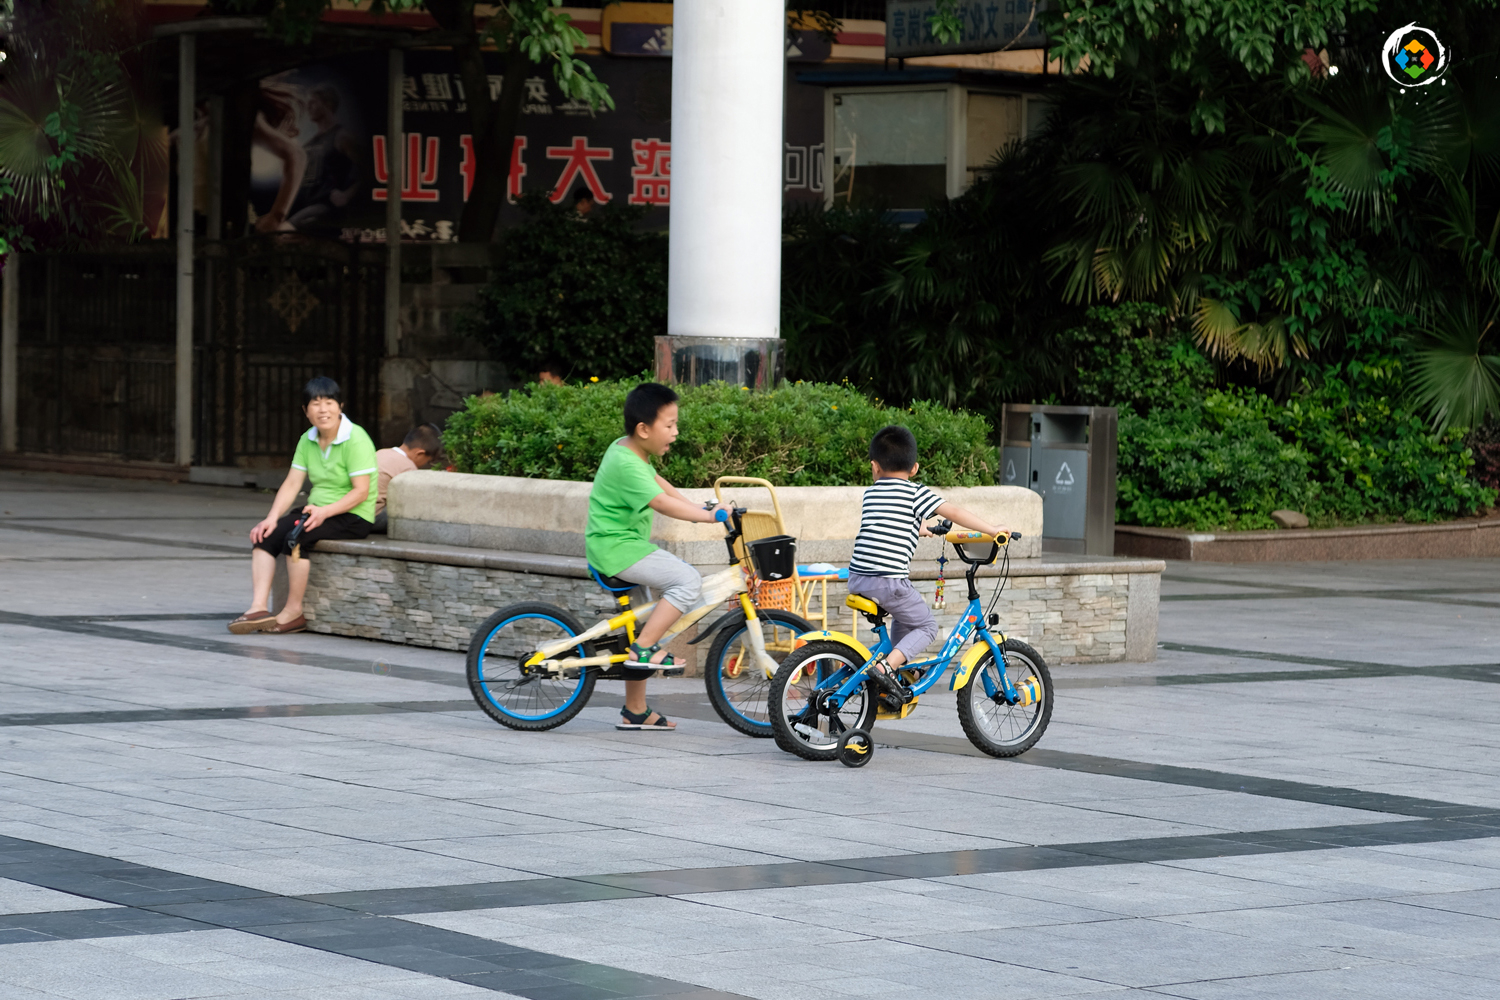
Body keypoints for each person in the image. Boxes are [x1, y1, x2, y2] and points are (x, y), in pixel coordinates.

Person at [585, 383, 728, 731]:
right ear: (643, 429)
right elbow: (660, 502)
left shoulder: (628, 452)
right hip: (618, 550)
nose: (676, 433)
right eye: (670, 425)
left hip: (619, 547)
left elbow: (660, 484)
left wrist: (700, 507)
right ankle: (646, 649)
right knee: (687, 580)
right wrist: (709, 517)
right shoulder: (627, 464)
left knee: (638, 629)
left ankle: (635, 710)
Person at [847, 425, 1009, 705]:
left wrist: (923, 528)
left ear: (874, 466)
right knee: (926, 627)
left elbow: (890, 522)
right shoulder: (915, 493)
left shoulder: (871, 493)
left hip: (859, 577)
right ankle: (886, 669)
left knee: (904, 617)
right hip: (888, 581)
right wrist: (993, 529)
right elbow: (955, 512)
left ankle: (894, 672)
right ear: (914, 468)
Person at [228, 377, 379, 635]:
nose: (323, 410)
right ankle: (258, 608)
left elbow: (361, 492)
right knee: (265, 537)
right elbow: (291, 483)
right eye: (315, 404)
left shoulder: (356, 438)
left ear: (340, 406)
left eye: (329, 402)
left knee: (295, 539)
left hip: (352, 515)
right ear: (305, 411)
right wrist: (271, 517)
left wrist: (326, 511)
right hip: (317, 510)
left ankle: (293, 612)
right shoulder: (307, 440)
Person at [372, 423, 443, 533]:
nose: (426, 464)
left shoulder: (381, 452)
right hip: (375, 516)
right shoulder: (408, 467)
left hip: (361, 512)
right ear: (419, 453)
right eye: (428, 461)